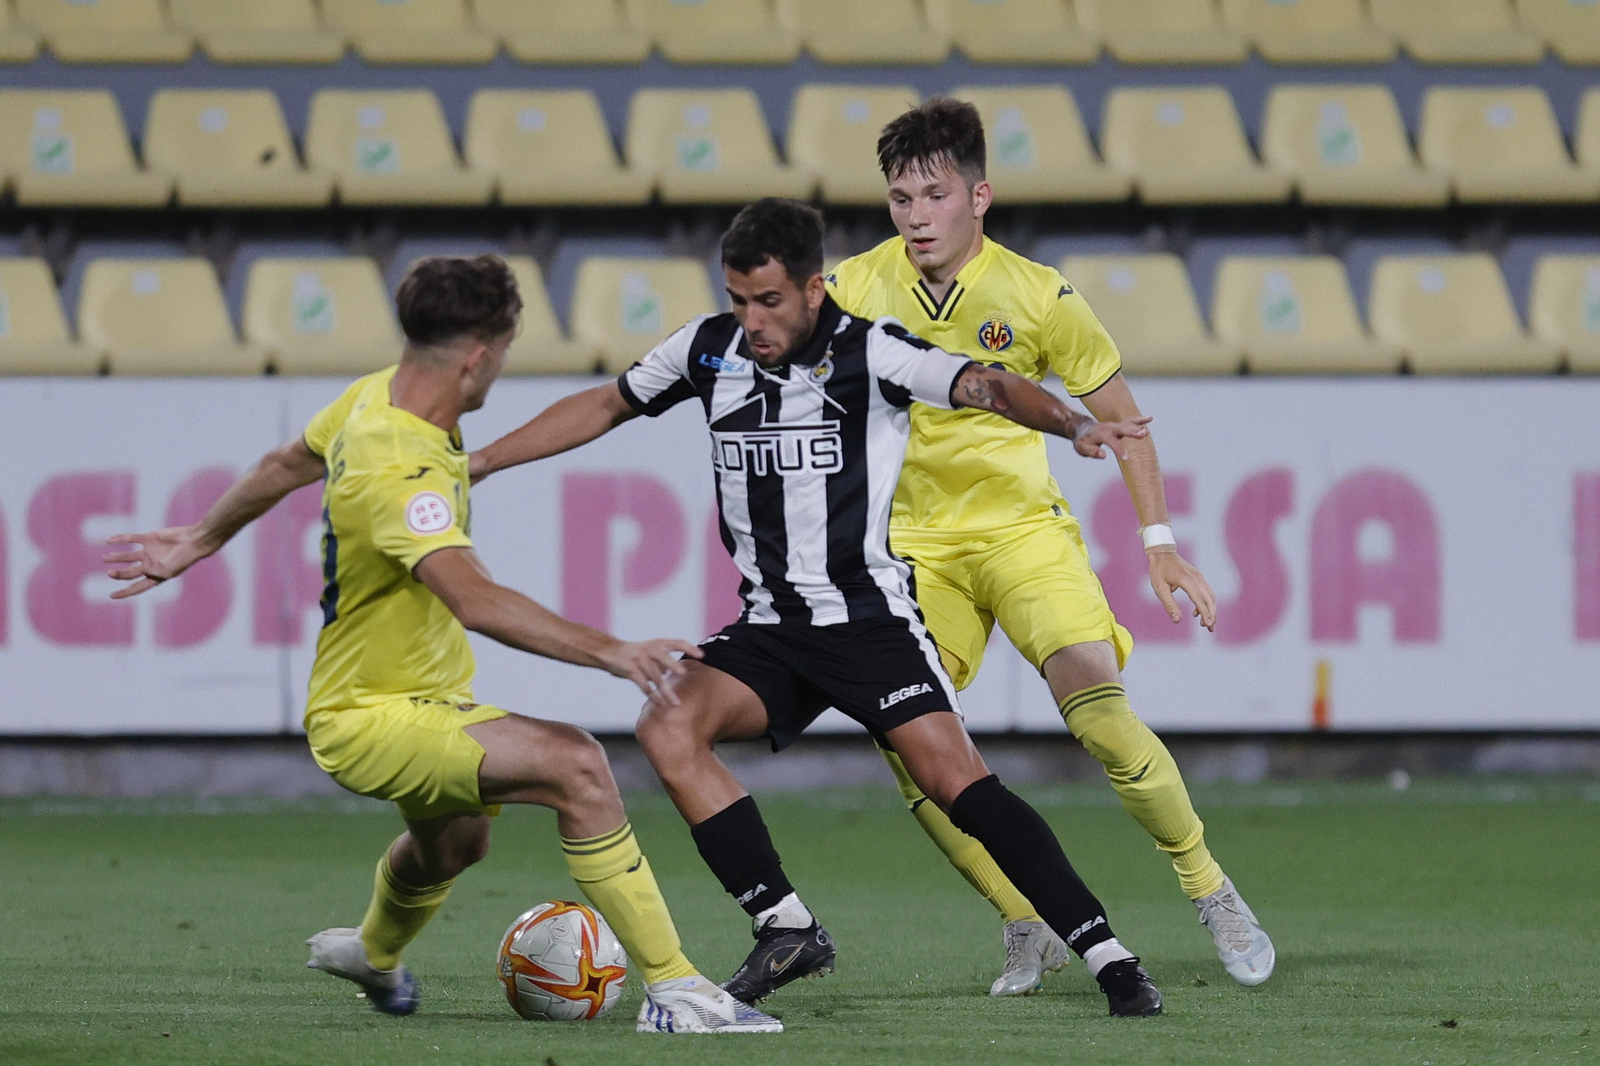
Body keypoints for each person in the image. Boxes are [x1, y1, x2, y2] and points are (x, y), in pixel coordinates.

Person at [471, 199, 1164, 1017]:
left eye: (768, 302)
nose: (752, 320)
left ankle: (1109, 955)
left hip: (868, 623)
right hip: (770, 628)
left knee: (959, 786)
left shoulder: (871, 351)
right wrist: (482, 459)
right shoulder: (707, 350)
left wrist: (1073, 423)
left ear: (811, 288)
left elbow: (986, 385)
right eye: (738, 299)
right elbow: (606, 402)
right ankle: (785, 924)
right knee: (667, 721)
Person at [102, 255, 781, 1035]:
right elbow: (474, 598)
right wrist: (613, 651)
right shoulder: (403, 468)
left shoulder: (372, 401)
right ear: (479, 356)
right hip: (372, 716)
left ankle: (373, 953)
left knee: (456, 844)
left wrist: (198, 538)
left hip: (415, 697)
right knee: (578, 766)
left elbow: (285, 461)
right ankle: (680, 991)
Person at [822, 97, 1275, 995]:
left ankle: (1209, 887)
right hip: (914, 552)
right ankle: (1023, 915)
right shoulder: (852, 288)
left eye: (934, 194)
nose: (915, 215)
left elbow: (1123, 422)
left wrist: (1160, 543)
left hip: (1024, 533)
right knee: (910, 739)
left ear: (978, 196)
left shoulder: (1038, 295)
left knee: (1096, 705)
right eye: (900, 198)